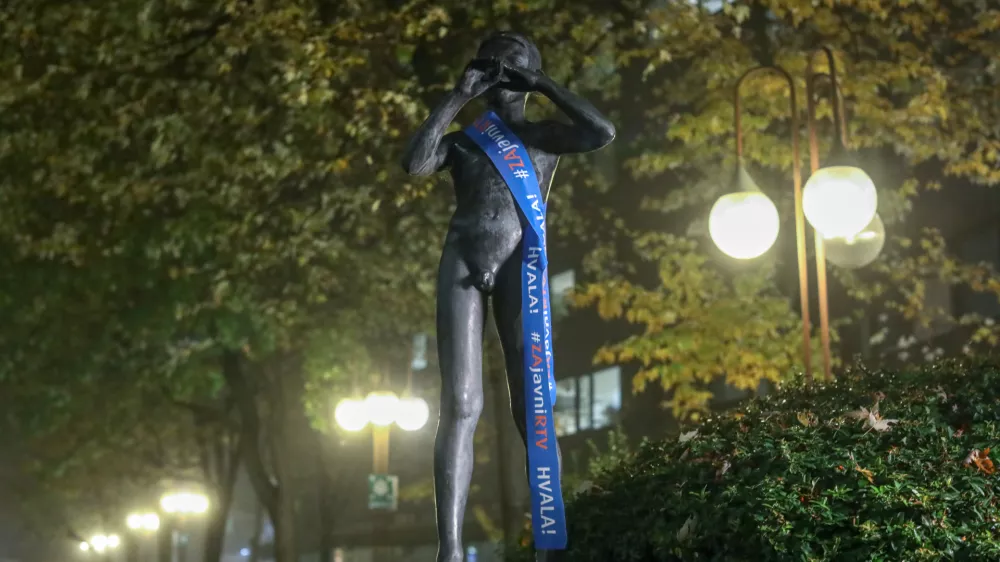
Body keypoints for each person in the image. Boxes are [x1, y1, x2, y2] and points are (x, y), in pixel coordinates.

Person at [401, 31, 615, 562]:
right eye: (493, 60)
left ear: (530, 71)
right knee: (460, 404)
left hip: (522, 263)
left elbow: (602, 132)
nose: (502, 68)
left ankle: (550, 543)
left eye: (513, 61)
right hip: (462, 261)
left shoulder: (543, 137)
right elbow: (415, 162)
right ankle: (450, 550)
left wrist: (543, 85)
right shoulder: (466, 140)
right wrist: (458, 96)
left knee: (533, 404)